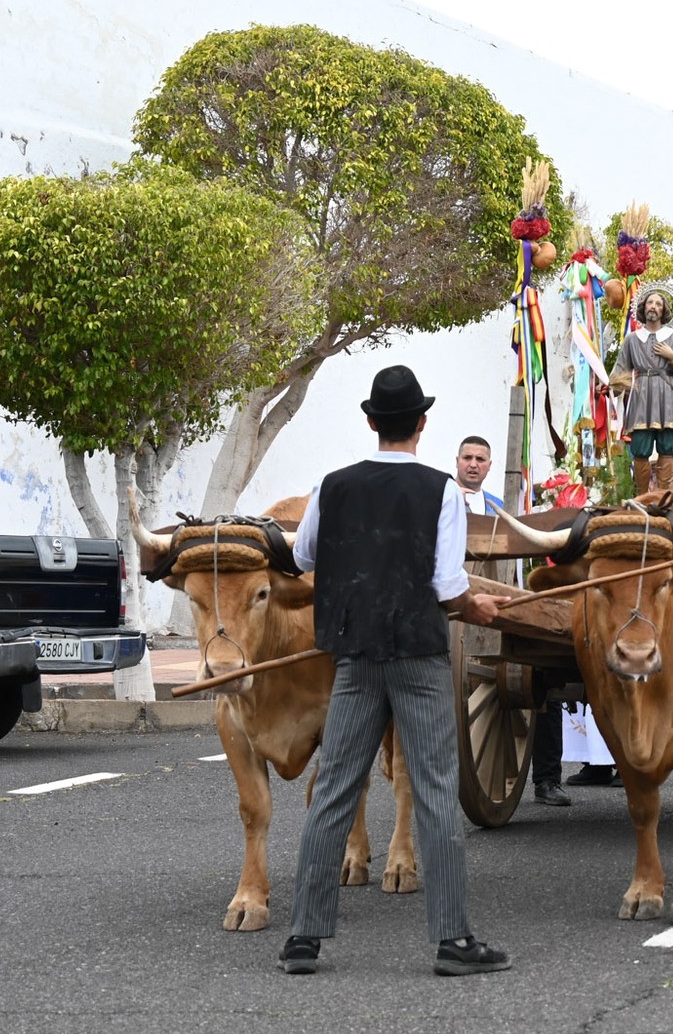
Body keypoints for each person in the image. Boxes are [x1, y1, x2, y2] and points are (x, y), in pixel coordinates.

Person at [279, 365, 509, 977]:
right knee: (434, 790)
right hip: (418, 658)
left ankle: (303, 936)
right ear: (422, 424)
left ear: (371, 421)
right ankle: (453, 943)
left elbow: (301, 556)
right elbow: (448, 585)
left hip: (354, 658)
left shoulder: (332, 486)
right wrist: (478, 606)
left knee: (334, 789)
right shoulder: (441, 492)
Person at [452, 438, 567, 807]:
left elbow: (511, 570)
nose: (473, 464)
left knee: (539, 674)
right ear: (457, 461)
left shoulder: (501, 508)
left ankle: (547, 779)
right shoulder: (441, 501)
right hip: (452, 611)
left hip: (495, 609)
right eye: (467, 458)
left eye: (480, 459)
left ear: (489, 465)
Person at [609, 283, 673, 495]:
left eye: (658, 303)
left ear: (664, 310)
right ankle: (642, 496)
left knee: (667, 446)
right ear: (643, 307)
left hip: (668, 395)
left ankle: (662, 495)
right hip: (641, 397)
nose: (653, 306)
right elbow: (620, 371)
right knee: (640, 447)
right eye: (650, 302)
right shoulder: (632, 340)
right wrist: (608, 387)